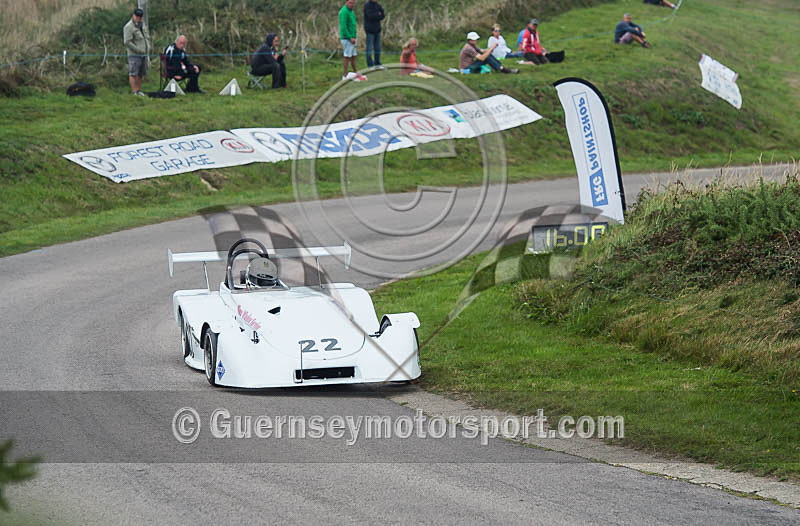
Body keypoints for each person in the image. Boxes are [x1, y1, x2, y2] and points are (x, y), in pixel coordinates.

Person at [123, 8, 151, 97]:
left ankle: (139, 90)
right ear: (133, 15)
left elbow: (147, 37)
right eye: (137, 16)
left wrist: (148, 47)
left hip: (144, 54)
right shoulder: (128, 27)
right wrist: (138, 50)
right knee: (133, 73)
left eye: (140, 17)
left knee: (141, 73)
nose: (138, 18)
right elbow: (127, 42)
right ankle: (134, 91)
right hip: (134, 55)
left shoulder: (143, 25)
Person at [339, 0, 366, 81]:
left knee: (354, 56)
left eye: (353, 3)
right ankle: (345, 75)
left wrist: (354, 37)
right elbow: (343, 27)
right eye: (350, 2)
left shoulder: (351, 11)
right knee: (347, 56)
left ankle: (356, 73)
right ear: (346, 2)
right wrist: (350, 37)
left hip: (353, 38)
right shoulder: (344, 12)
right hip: (347, 38)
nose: (352, 4)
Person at [363, 0, 385, 69]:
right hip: (369, 31)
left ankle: (377, 63)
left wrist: (379, 14)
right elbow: (370, 16)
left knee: (377, 48)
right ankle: (370, 65)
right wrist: (377, 14)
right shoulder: (367, 5)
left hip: (377, 30)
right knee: (369, 49)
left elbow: (383, 15)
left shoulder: (378, 5)